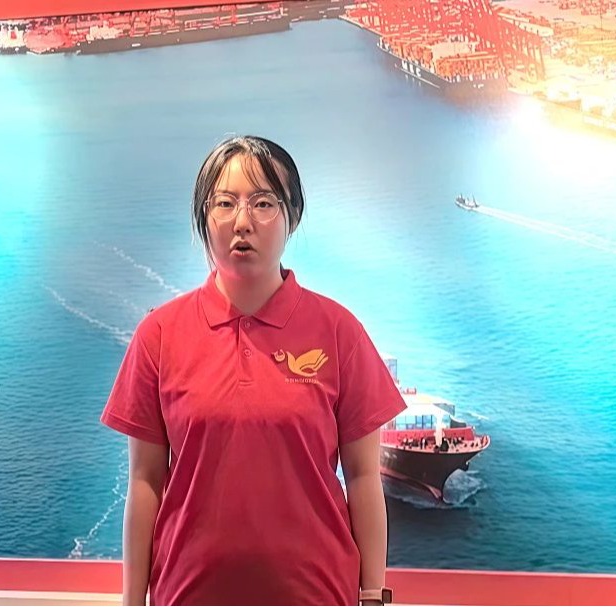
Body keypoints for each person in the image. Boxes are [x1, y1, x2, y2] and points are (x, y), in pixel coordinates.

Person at [101, 135, 406, 606]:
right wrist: (131, 600)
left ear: (292, 216)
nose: (242, 222)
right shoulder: (159, 335)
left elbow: (364, 477)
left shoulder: (338, 331)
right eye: (225, 203)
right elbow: (145, 482)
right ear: (204, 217)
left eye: (263, 203)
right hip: (187, 595)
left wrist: (372, 596)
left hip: (319, 595)